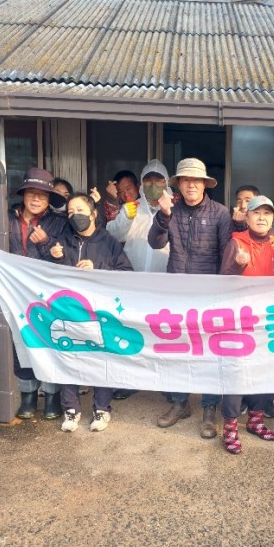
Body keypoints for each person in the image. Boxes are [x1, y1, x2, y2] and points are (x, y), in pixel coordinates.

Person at [148, 157, 233, 437]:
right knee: (178, 347)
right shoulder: (170, 210)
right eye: (185, 180)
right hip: (178, 292)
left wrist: (221, 293)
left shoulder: (220, 213)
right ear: (179, 185)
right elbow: (155, 242)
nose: (191, 185)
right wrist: (163, 215)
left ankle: (209, 408)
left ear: (205, 184)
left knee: (210, 350)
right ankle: (180, 402)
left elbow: (226, 254)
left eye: (196, 180)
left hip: (209, 294)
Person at [0, 167, 68, 420]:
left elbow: (63, 259)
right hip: (14, 294)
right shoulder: (6, 219)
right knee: (20, 343)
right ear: (23, 195)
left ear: (49, 198)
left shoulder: (59, 222)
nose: (36, 199)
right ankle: (28, 397)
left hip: (46, 296)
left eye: (42, 195)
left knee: (48, 342)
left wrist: (45, 243)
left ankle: (52, 397)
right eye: (31, 193)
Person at [47, 193, 134, 432]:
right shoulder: (61, 241)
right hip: (68, 312)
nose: (75, 216)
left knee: (100, 359)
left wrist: (97, 269)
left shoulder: (109, 242)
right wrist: (56, 259)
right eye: (70, 212)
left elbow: (126, 272)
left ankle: (102, 409)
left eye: (80, 211)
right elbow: (48, 277)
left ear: (94, 213)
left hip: (99, 313)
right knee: (68, 357)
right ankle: (70, 409)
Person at [219, 195, 274, 454]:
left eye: (267, 213)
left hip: (269, 320)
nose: (262, 218)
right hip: (240, 320)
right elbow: (223, 281)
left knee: (264, 370)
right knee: (237, 372)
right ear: (247, 217)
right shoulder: (236, 243)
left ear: (273, 218)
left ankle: (256, 420)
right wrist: (238, 265)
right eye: (256, 213)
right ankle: (230, 427)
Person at [106, 160, 172, 400]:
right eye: (148, 180)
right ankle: (131, 380)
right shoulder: (133, 207)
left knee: (163, 334)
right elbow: (112, 233)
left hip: (165, 284)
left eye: (158, 180)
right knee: (132, 333)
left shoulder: (175, 207)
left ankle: (165, 382)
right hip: (133, 283)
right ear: (141, 184)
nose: (153, 185)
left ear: (166, 182)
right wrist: (125, 215)